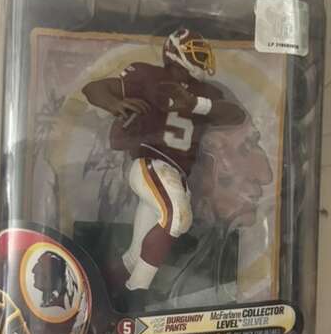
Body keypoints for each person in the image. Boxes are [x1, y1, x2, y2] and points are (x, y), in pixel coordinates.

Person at [82, 27, 245, 306]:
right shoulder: (149, 76)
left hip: (176, 174)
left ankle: (99, 289)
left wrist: (195, 104)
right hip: (151, 163)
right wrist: (115, 104)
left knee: (137, 255)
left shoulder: (206, 92)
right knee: (177, 217)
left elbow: (236, 114)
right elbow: (93, 89)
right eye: (197, 54)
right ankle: (136, 293)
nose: (204, 60)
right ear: (175, 53)